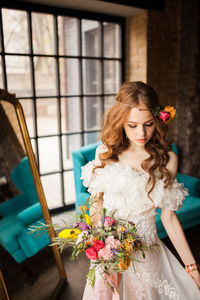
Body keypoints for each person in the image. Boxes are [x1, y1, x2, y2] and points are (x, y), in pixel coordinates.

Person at [81, 81, 200, 299]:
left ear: (158, 119)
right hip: (109, 255)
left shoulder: (167, 159)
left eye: (148, 124)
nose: (141, 133)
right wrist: (100, 240)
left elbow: (169, 218)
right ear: (120, 122)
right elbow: (96, 203)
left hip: (148, 256)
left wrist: (192, 267)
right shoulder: (104, 154)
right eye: (132, 125)